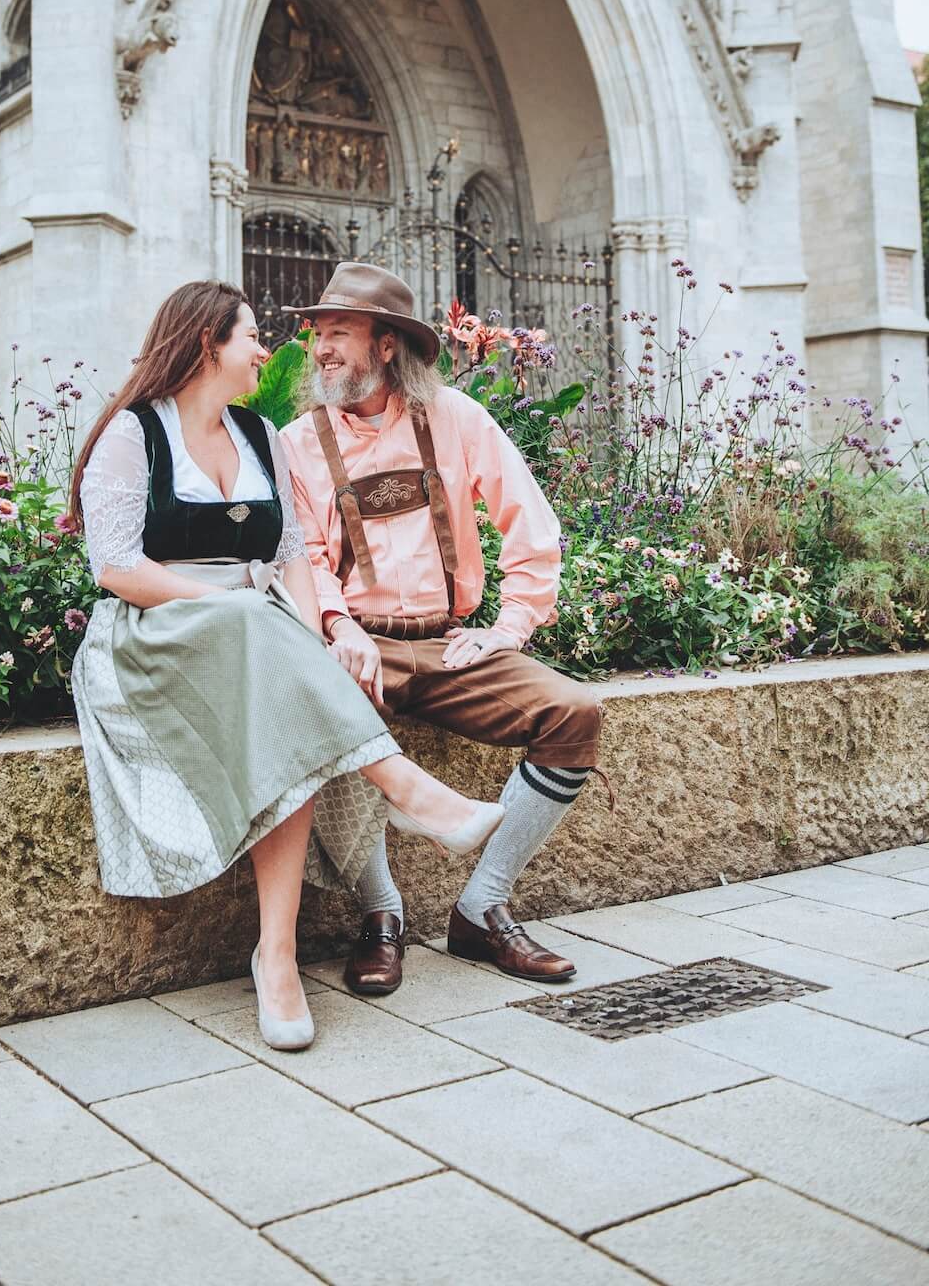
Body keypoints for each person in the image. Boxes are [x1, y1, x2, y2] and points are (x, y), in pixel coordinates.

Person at [67, 280, 504, 1053]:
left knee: (284, 678)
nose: (266, 352)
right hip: (154, 633)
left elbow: (292, 554)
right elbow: (117, 568)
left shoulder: (259, 435)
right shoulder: (133, 434)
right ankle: (406, 790)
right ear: (207, 345)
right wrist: (231, 604)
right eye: (250, 337)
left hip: (253, 632)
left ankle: (277, 955)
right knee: (257, 631)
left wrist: (314, 637)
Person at [279, 262, 603, 996]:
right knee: (329, 709)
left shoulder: (457, 419)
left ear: (386, 344)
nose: (321, 348)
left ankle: (483, 908)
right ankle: (381, 916)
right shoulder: (297, 443)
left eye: (340, 333)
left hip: (448, 641)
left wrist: (509, 627)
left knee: (573, 713)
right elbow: (302, 555)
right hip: (360, 643)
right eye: (318, 334)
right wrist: (336, 625)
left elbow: (530, 523)